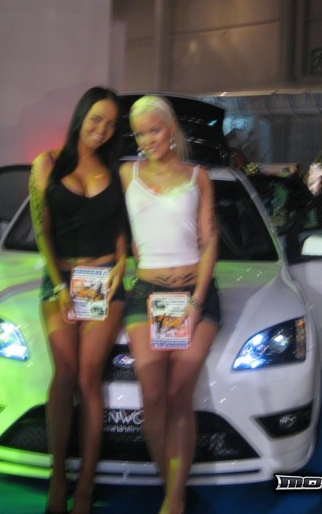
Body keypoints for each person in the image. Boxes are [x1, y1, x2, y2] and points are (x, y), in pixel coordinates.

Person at [119, 95, 221, 514]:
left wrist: (197, 300)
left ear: (171, 127)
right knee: (152, 395)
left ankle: (173, 500)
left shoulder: (199, 176)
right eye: (139, 133)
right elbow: (106, 222)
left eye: (154, 130)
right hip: (146, 294)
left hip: (194, 295)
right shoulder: (127, 173)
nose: (147, 140)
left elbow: (209, 240)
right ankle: (174, 492)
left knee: (179, 392)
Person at [29, 87, 127, 514]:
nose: (102, 130)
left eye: (110, 124)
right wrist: (59, 285)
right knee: (65, 373)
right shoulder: (47, 163)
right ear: (81, 117)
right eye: (96, 120)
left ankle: (85, 485)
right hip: (62, 279)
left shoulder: (116, 171)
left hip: (105, 280)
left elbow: (121, 228)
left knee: (89, 378)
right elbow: (42, 232)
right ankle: (58, 478)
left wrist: (120, 268)